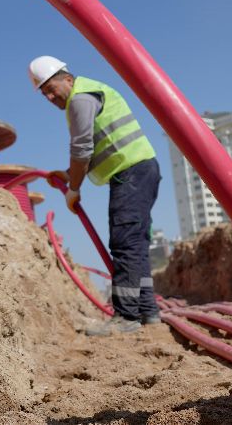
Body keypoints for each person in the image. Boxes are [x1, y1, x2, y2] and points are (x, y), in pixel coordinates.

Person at [28, 56, 162, 336]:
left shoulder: (80, 99)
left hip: (131, 172)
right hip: (140, 169)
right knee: (136, 243)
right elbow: (94, 148)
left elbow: (82, 150)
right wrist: (69, 175)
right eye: (44, 93)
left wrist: (74, 188)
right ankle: (148, 312)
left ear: (67, 78)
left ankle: (126, 316)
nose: (50, 96)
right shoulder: (88, 91)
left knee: (125, 242)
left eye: (52, 88)